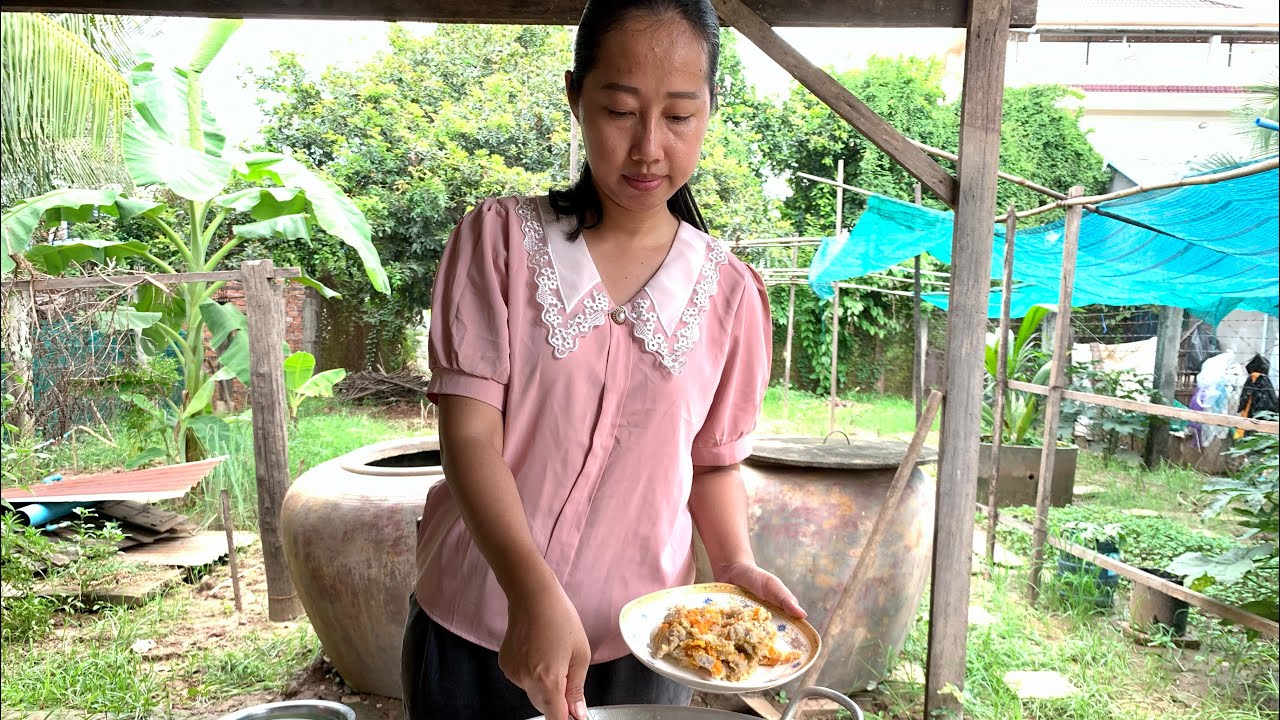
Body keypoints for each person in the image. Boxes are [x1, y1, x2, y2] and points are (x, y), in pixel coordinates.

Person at [400, 1, 804, 718]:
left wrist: (735, 563)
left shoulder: (731, 294)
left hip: (640, 649)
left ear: (710, 108)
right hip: (475, 630)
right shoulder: (500, 243)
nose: (649, 147)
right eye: (620, 111)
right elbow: (468, 437)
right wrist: (531, 594)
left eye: (680, 116)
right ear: (575, 97)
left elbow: (711, 463)